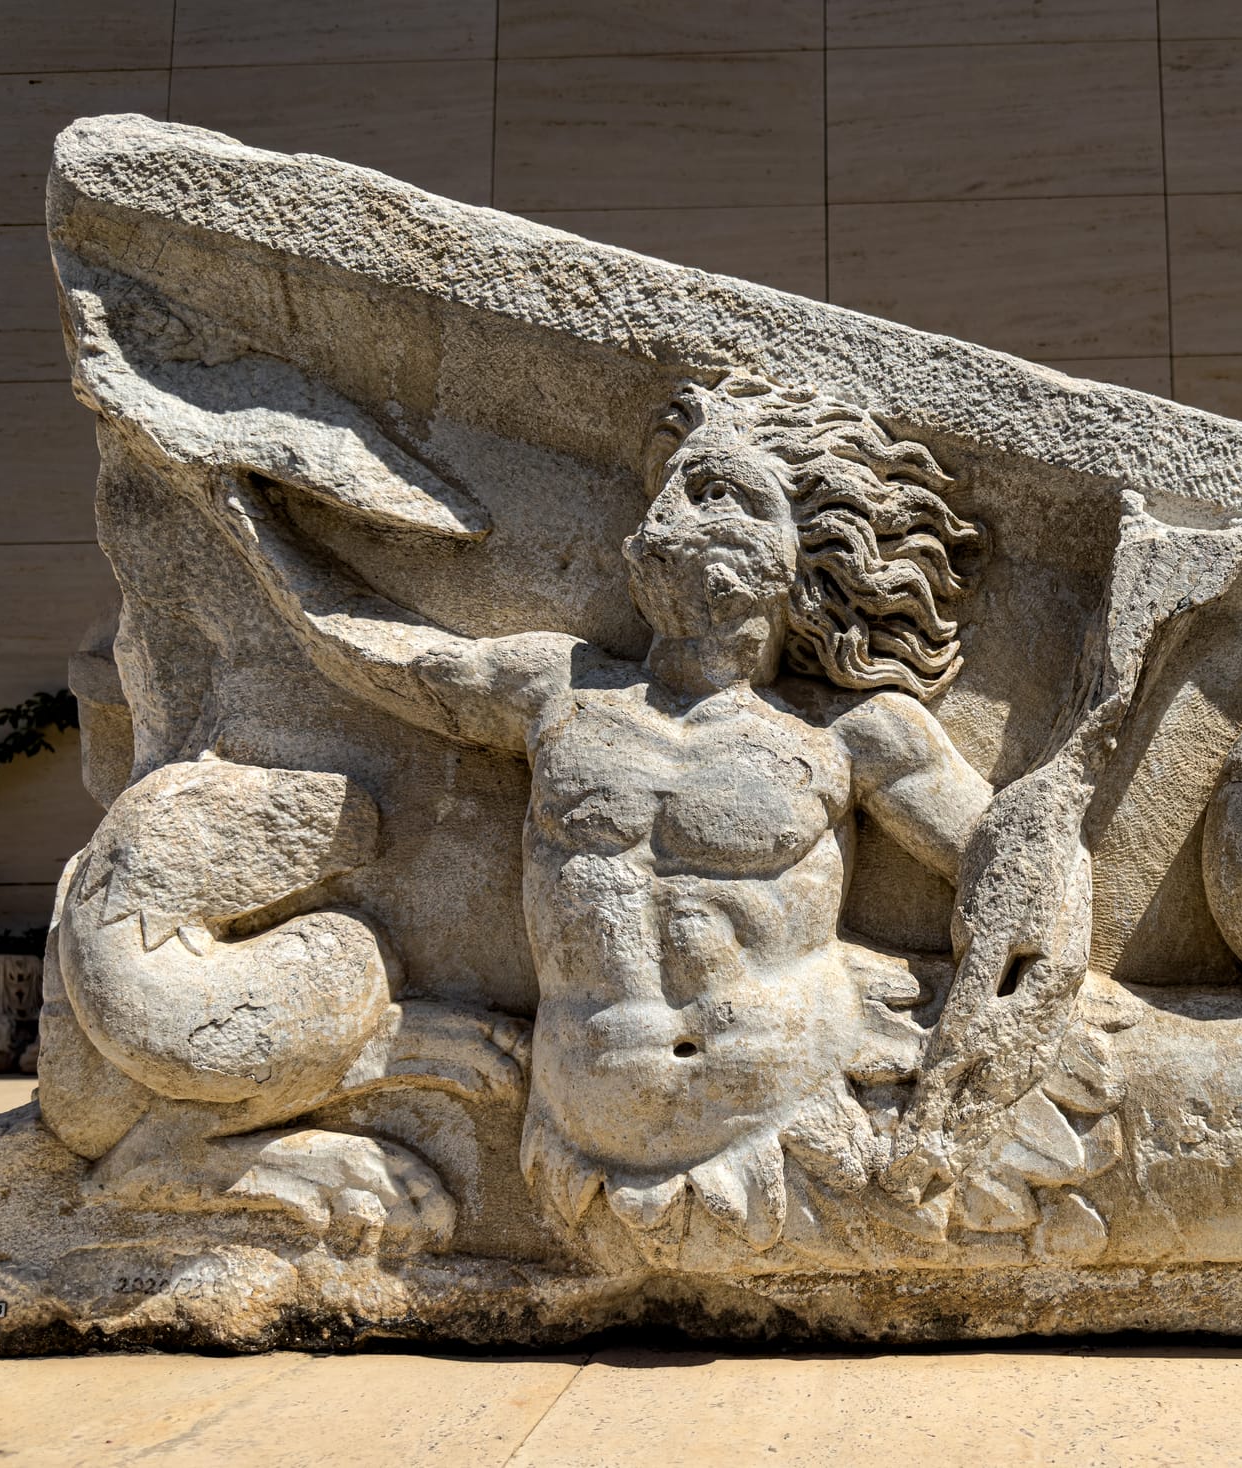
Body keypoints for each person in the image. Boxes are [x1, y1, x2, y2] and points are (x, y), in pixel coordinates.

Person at [211, 371, 994, 1248]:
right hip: (582, 1144)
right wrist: (241, 508)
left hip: (800, 1134)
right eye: (671, 494)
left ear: (804, 554)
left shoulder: (854, 734)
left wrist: (978, 1058)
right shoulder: (559, 690)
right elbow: (372, 648)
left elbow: (1016, 873)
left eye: (719, 495)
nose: (673, 518)